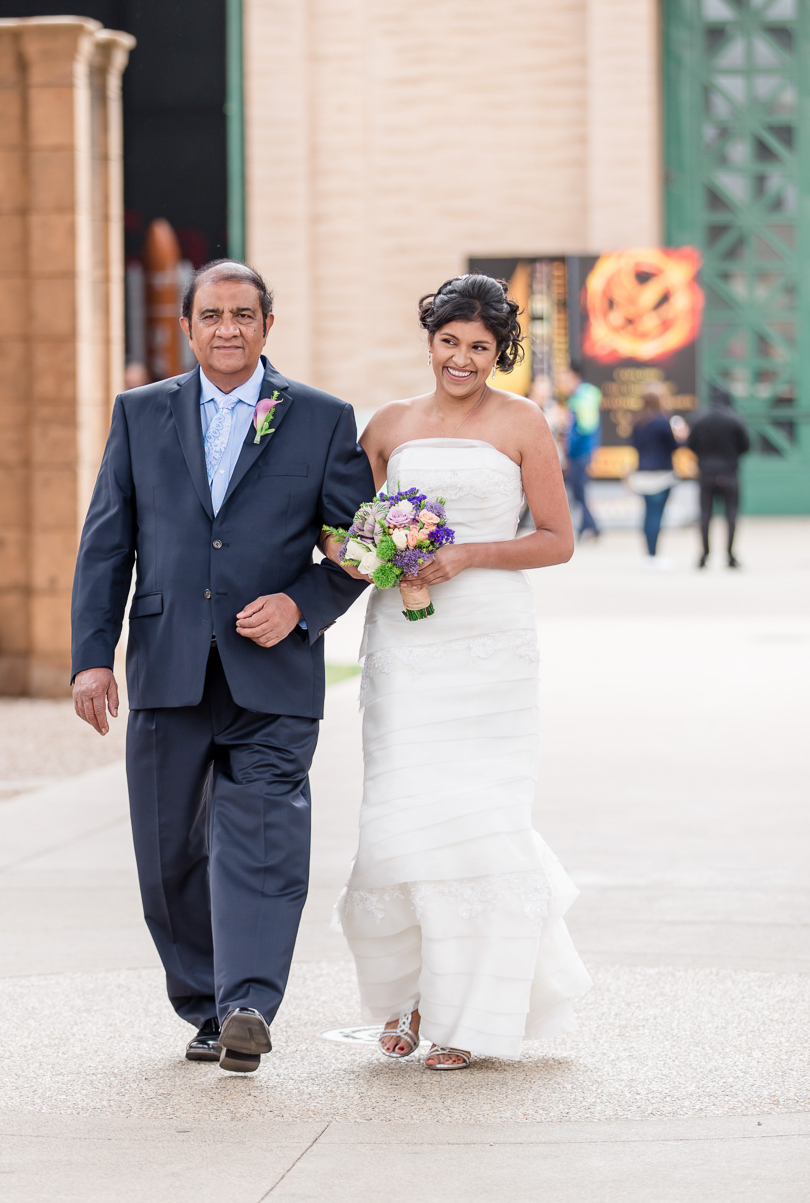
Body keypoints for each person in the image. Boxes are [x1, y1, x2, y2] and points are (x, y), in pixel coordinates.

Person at [71, 259, 374, 1073]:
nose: (229, 329)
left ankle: (249, 1004)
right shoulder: (140, 415)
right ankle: (204, 1004)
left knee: (265, 840)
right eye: (213, 315)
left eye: (245, 315)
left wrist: (302, 604)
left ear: (268, 326)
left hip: (272, 675)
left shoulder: (319, 418)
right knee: (169, 852)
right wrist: (92, 659)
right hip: (170, 666)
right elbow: (108, 543)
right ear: (188, 325)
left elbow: (361, 546)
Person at [324, 274, 591, 1070]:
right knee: (401, 816)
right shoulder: (390, 425)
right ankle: (405, 998)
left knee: (480, 818)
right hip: (406, 646)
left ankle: (468, 1015)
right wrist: (366, 553)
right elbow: (341, 526)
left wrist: (467, 552)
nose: (462, 359)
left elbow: (556, 538)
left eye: (480, 347)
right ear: (431, 342)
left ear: (498, 351)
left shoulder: (523, 423)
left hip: (489, 644)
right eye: (450, 343)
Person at [686, 386, 750, 569]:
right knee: (731, 515)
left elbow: (690, 444)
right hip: (729, 472)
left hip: (706, 472)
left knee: (705, 515)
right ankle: (730, 555)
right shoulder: (735, 418)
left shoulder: (699, 418)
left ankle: (704, 554)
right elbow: (746, 445)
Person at [628, 385, 682, 567]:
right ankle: (653, 555)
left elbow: (635, 445)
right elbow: (673, 447)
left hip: (643, 473)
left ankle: (648, 553)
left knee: (648, 513)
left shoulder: (637, 422)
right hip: (661, 474)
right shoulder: (661, 422)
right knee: (656, 515)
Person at [559, 367, 602, 539]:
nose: (561, 382)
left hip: (580, 453)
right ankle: (588, 526)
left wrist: (571, 449)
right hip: (581, 452)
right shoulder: (580, 395)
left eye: (564, 378)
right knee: (579, 491)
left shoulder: (583, 396)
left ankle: (591, 526)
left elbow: (586, 427)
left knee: (579, 491)